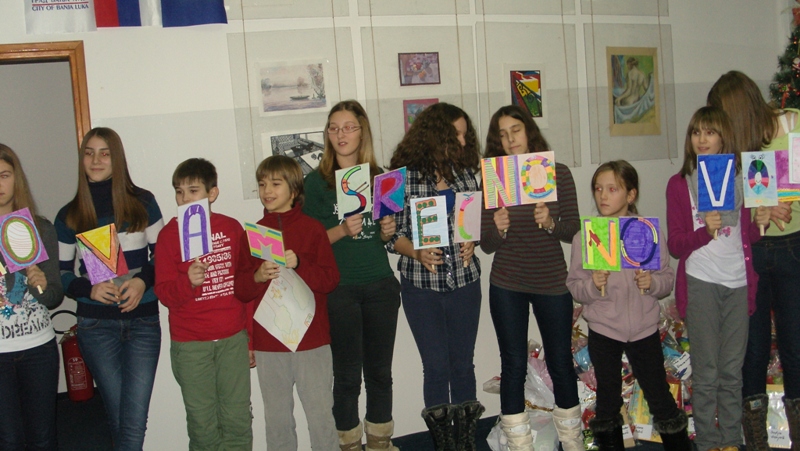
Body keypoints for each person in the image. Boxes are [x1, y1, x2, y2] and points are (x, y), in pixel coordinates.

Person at [566, 161, 690, 451]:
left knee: (658, 394)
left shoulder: (646, 231)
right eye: (598, 189)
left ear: (631, 195)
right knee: (608, 400)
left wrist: (651, 283)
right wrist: (593, 285)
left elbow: (666, 279)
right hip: (604, 329)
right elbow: (574, 285)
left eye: (612, 189)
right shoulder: (586, 236)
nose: (603, 195)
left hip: (644, 328)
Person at [666, 106, 770, 451]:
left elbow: (747, 236)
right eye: (696, 132)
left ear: (724, 137)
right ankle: (709, 443)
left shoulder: (742, 179)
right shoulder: (680, 184)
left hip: (739, 283)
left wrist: (760, 222)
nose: (702, 139)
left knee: (731, 371)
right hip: (701, 282)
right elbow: (676, 244)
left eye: (710, 132)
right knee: (706, 371)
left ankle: (730, 440)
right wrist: (703, 232)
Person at [479, 105, 582, 451]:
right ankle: (519, 444)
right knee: (513, 364)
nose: (510, 140)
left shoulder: (557, 173)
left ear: (529, 132)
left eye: (516, 131)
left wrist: (551, 223)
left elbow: (573, 228)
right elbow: (486, 244)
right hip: (507, 281)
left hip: (551, 281)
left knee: (560, 362)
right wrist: (498, 229)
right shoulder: (494, 178)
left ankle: (572, 441)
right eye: (502, 135)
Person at [54, 127, 164, 450]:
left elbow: (163, 256)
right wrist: (89, 289)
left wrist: (142, 281)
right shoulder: (69, 215)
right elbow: (62, 274)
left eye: (104, 153)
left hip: (143, 322)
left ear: (117, 158)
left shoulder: (144, 202)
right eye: (89, 153)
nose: (96, 160)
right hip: (96, 326)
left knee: (133, 421)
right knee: (120, 419)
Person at [708, 70, 800, 450]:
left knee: (795, 347)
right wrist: (756, 210)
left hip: (793, 249)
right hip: (751, 253)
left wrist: (783, 202)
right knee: (753, 351)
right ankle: (757, 441)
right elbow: (723, 209)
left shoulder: (792, 125)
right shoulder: (732, 149)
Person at [302, 100, 401, 451]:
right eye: (333, 128)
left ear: (362, 132)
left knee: (380, 375)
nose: (340, 134)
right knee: (346, 378)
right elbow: (308, 244)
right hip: (339, 289)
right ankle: (347, 444)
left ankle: (380, 443)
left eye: (348, 127)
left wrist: (388, 231)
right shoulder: (315, 183)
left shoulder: (382, 177)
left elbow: (385, 237)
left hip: (380, 286)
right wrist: (342, 230)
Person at [386, 102, 484, 451]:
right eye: (456, 135)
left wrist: (472, 241)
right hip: (421, 287)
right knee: (436, 367)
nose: (462, 141)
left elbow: (473, 225)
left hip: (465, 282)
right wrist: (416, 251)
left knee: (463, 365)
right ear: (435, 134)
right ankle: (444, 444)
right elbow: (390, 237)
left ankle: (467, 443)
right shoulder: (400, 177)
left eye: (465, 135)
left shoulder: (466, 174)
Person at [235, 155, 340, 451]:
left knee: (321, 416)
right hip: (270, 343)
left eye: (275, 184)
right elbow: (240, 290)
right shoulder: (252, 234)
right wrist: (257, 276)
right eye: (262, 184)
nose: (267, 190)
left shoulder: (313, 229)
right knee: (278, 420)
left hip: (312, 341)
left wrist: (300, 263)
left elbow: (330, 280)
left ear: (293, 190)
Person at [154, 158, 252, 450]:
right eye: (179, 192)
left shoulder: (231, 228)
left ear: (212, 193)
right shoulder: (168, 236)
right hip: (191, 345)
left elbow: (244, 286)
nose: (185, 198)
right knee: (202, 423)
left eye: (193, 191)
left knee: (237, 419)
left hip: (232, 339)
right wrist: (188, 282)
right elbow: (164, 293)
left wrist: (250, 338)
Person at [0, 144, 63, 451]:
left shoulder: (40, 228)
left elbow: (54, 297)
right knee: (9, 440)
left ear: (17, 178)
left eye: (4, 175)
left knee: (43, 439)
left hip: (39, 349)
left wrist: (41, 285)